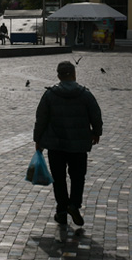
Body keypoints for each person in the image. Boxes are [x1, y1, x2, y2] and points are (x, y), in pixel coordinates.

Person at [34, 61, 102, 227]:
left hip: (56, 145)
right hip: (79, 145)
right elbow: (96, 114)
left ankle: (62, 211)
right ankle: (74, 205)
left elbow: (41, 118)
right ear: (74, 74)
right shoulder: (85, 94)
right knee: (78, 177)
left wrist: (38, 140)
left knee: (59, 178)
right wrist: (96, 132)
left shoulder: (50, 95)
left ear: (58, 76)